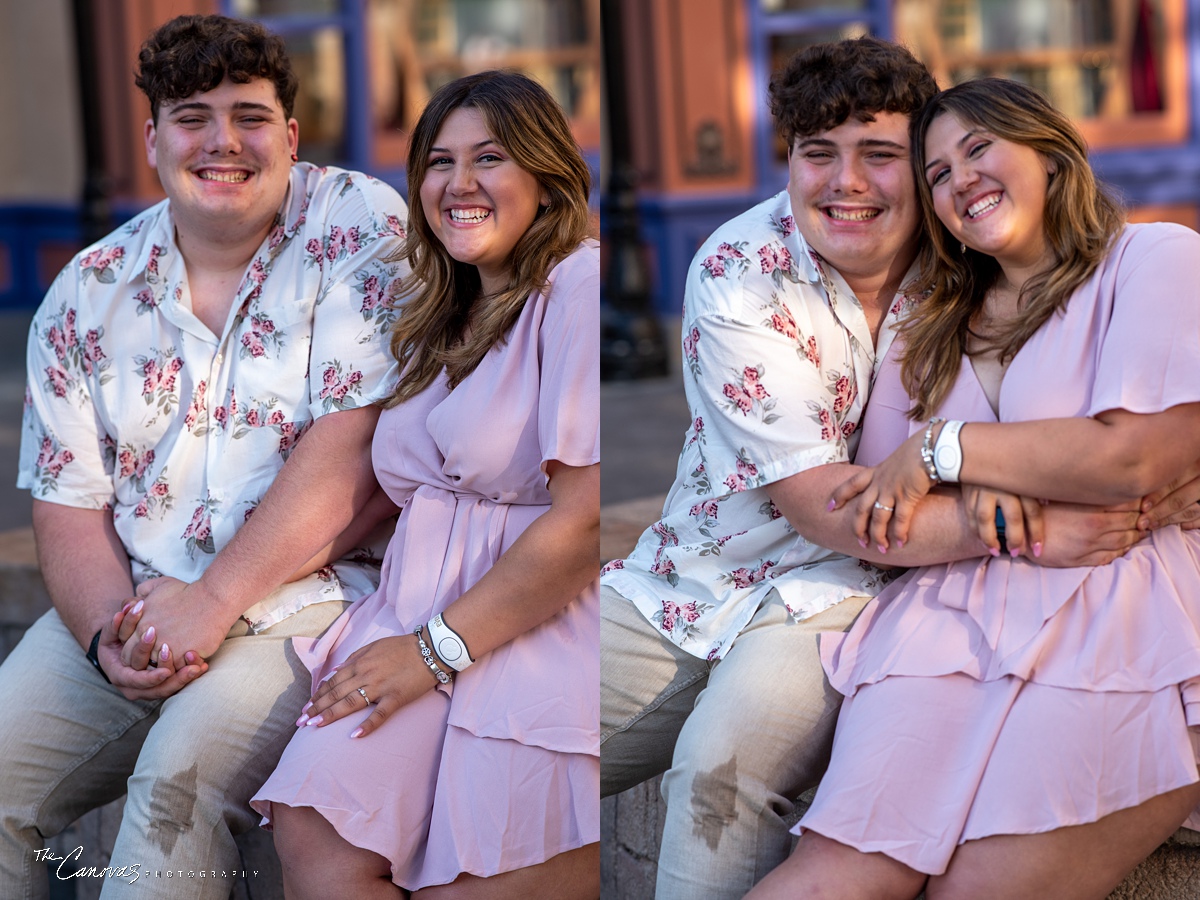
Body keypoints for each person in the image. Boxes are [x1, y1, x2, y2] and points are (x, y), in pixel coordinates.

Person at [599, 38, 1200, 900]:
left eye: (883, 156)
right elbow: (847, 502)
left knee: (723, 772)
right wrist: (1027, 512)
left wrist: (950, 459)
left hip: (951, 600)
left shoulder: (1073, 268)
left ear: (1051, 151)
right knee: (502, 739)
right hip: (746, 576)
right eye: (820, 155)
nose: (849, 183)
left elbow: (1136, 455)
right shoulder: (767, 278)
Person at [1, 14, 408, 899]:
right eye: (193, 117)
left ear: (291, 136)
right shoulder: (87, 292)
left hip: (310, 605)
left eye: (250, 116)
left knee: (171, 794)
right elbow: (68, 504)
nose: (223, 141)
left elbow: (354, 447)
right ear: (152, 139)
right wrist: (111, 632)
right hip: (142, 600)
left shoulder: (355, 225)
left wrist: (213, 601)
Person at [249, 70, 600, 899]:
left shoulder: (576, 286)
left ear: (546, 177)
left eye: (490, 158)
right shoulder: (440, 309)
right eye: (439, 163)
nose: (459, 184)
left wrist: (433, 652)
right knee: (315, 832)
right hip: (409, 613)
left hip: (530, 620)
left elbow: (582, 524)